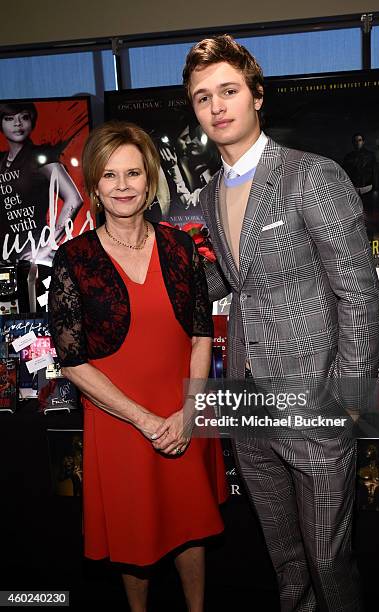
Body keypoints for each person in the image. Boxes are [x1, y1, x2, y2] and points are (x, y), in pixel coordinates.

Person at [183, 35, 379, 611]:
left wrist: (349, 399)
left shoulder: (310, 176)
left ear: (257, 96)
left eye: (228, 91)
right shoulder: (210, 192)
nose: (217, 106)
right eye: (202, 98)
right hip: (249, 408)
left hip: (315, 406)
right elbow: (232, 281)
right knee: (286, 563)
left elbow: (358, 292)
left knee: (328, 561)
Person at [48, 120, 227, 612]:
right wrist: (143, 419)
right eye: (110, 176)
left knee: (192, 527)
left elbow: (200, 336)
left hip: (182, 411)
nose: (123, 186)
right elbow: (71, 362)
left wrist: (189, 412)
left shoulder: (181, 247)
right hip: (119, 422)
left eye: (132, 174)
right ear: (95, 187)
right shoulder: (74, 259)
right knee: (135, 539)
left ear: (149, 180)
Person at [0, 102, 84, 263]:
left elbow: (74, 199)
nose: (17, 124)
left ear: (32, 121)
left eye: (24, 117)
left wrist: (48, 246)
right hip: (5, 256)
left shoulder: (40, 156)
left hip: (33, 252)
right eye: (9, 118)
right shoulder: (1, 161)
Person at [342, 133, 377, 220]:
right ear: (353, 143)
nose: (357, 142)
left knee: (368, 212)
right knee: (354, 212)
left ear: (363, 142)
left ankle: (368, 231)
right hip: (354, 187)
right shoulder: (348, 157)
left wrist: (375, 187)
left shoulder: (370, 155)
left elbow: (375, 171)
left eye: (359, 140)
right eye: (355, 141)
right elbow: (345, 174)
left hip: (367, 187)